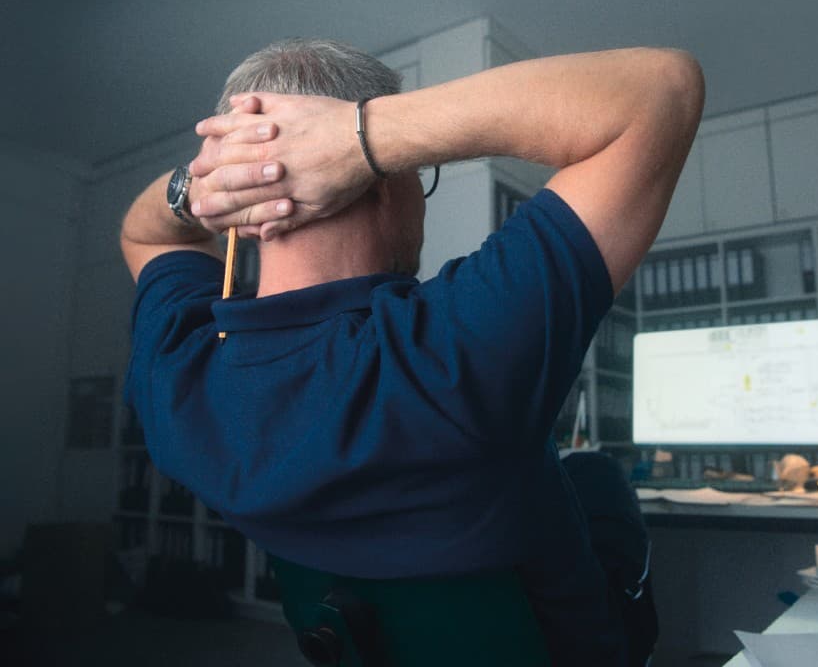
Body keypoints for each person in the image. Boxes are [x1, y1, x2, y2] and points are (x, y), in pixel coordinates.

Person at [121, 38, 703, 665]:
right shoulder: (452, 348)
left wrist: (202, 180)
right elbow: (663, 88)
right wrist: (366, 135)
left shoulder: (177, 373)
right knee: (597, 475)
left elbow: (142, 228)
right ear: (379, 180)